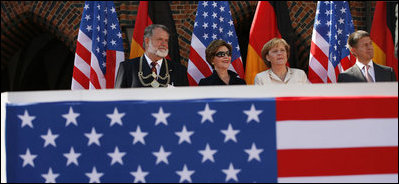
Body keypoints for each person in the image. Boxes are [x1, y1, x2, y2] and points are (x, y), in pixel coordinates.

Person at [115, 24, 188, 88]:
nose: (164, 44)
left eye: (166, 40)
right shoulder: (128, 68)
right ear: (147, 41)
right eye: (160, 39)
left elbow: (186, 101)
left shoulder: (179, 70)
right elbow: (118, 100)